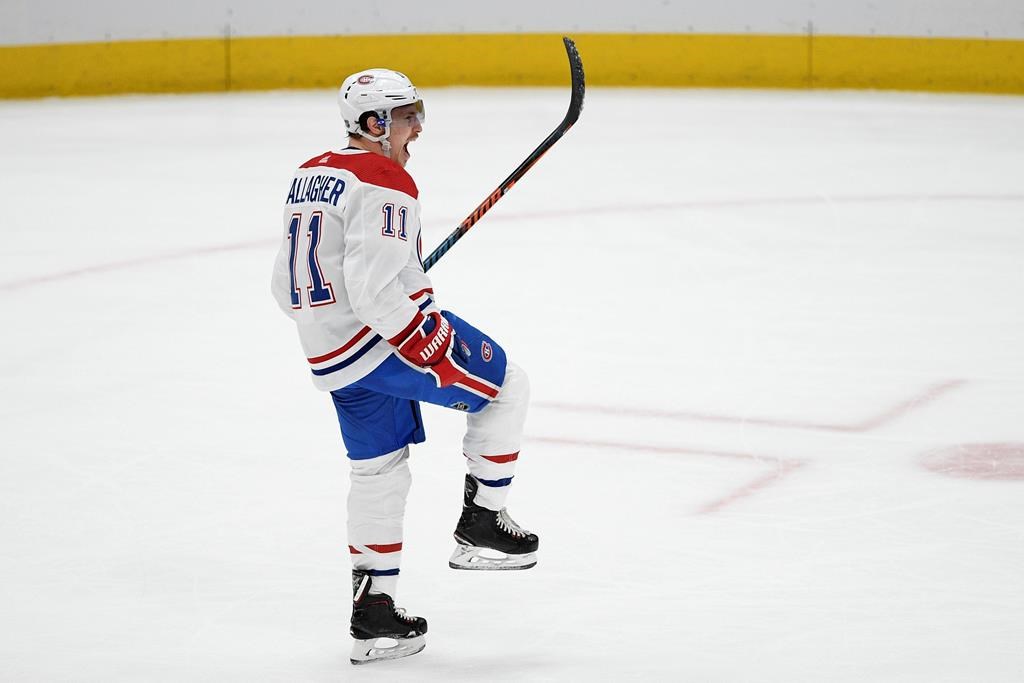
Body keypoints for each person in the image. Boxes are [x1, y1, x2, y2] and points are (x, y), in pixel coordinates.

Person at [270, 68, 538, 665]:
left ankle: (375, 612)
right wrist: (423, 338)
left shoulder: (310, 175)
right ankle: (483, 524)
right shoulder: (384, 177)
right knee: (507, 387)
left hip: (330, 352)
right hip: (382, 341)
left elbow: (285, 283)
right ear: (373, 124)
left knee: (378, 470)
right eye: (407, 116)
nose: (418, 127)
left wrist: (340, 323)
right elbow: (373, 291)